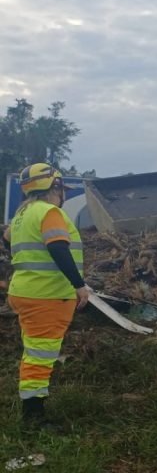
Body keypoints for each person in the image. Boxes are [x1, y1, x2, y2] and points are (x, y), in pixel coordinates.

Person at [2, 163, 90, 426]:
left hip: (26, 290)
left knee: (34, 351)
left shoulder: (22, 214)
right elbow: (59, 249)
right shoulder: (49, 212)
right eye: (61, 189)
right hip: (47, 295)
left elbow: (7, 239)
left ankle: (33, 408)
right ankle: (33, 417)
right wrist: (79, 284)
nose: (62, 194)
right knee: (40, 354)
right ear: (54, 187)